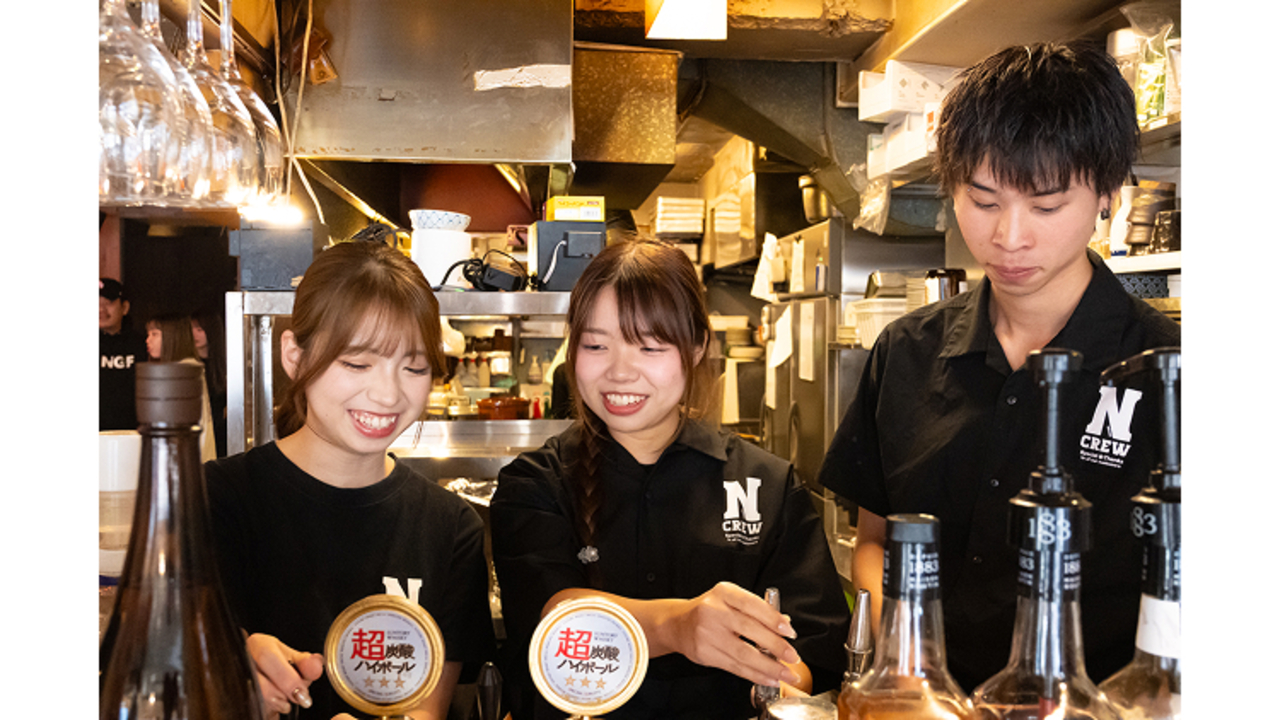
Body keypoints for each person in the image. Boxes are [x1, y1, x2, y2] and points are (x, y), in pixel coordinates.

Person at [816, 41, 1182, 692]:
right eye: (983, 201)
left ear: (1108, 196)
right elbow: (875, 543)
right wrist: (909, 663)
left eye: (1045, 206)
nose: (1010, 237)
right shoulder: (904, 353)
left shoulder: (1171, 374)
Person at [490, 238, 849, 720]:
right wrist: (679, 626)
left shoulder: (767, 485)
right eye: (596, 345)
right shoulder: (535, 484)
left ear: (697, 346)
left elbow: (816, 657)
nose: (620, 371)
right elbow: (554, 617)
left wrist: (782, 680)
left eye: (650, 346)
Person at [204, 240, 497, 720]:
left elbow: (428, 710)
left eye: (414, 367)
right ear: (294, 355)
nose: (386, 394)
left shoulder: (450, 530)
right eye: (356, 363)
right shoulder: (217, 500)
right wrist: (231, 664)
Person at [145, 314, 217, 463]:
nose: (148, 340)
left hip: (188, 465)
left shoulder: (181, 372)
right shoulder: (189, 367)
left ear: (173, 337)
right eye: (148, 334)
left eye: (154, 334)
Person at [99, 278, 147, 431]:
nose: (101, 309)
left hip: (132, 435)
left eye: (108, 303)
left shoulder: (143, 344)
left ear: (125, 307)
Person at [192, 311, 228, 457]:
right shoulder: (191, 367)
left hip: (225, 439)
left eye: (199, 329)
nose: (193, 334)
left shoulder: (227, 365)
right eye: (192, 328)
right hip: (201, 439)